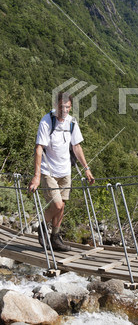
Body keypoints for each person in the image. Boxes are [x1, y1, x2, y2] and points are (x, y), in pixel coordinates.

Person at [28, 92, 95, 251]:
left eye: (67, 107)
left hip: (65, 172)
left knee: (62, 206)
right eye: (61, 107)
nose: (64, 110)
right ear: (55, 105)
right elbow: (39, 149)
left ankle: (55, 238)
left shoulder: (72, 122)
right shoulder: (46, 121)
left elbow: (76, 147)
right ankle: (42, 226)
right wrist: (37, 177)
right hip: (48, 171)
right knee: (57, 205)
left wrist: (87, 169)